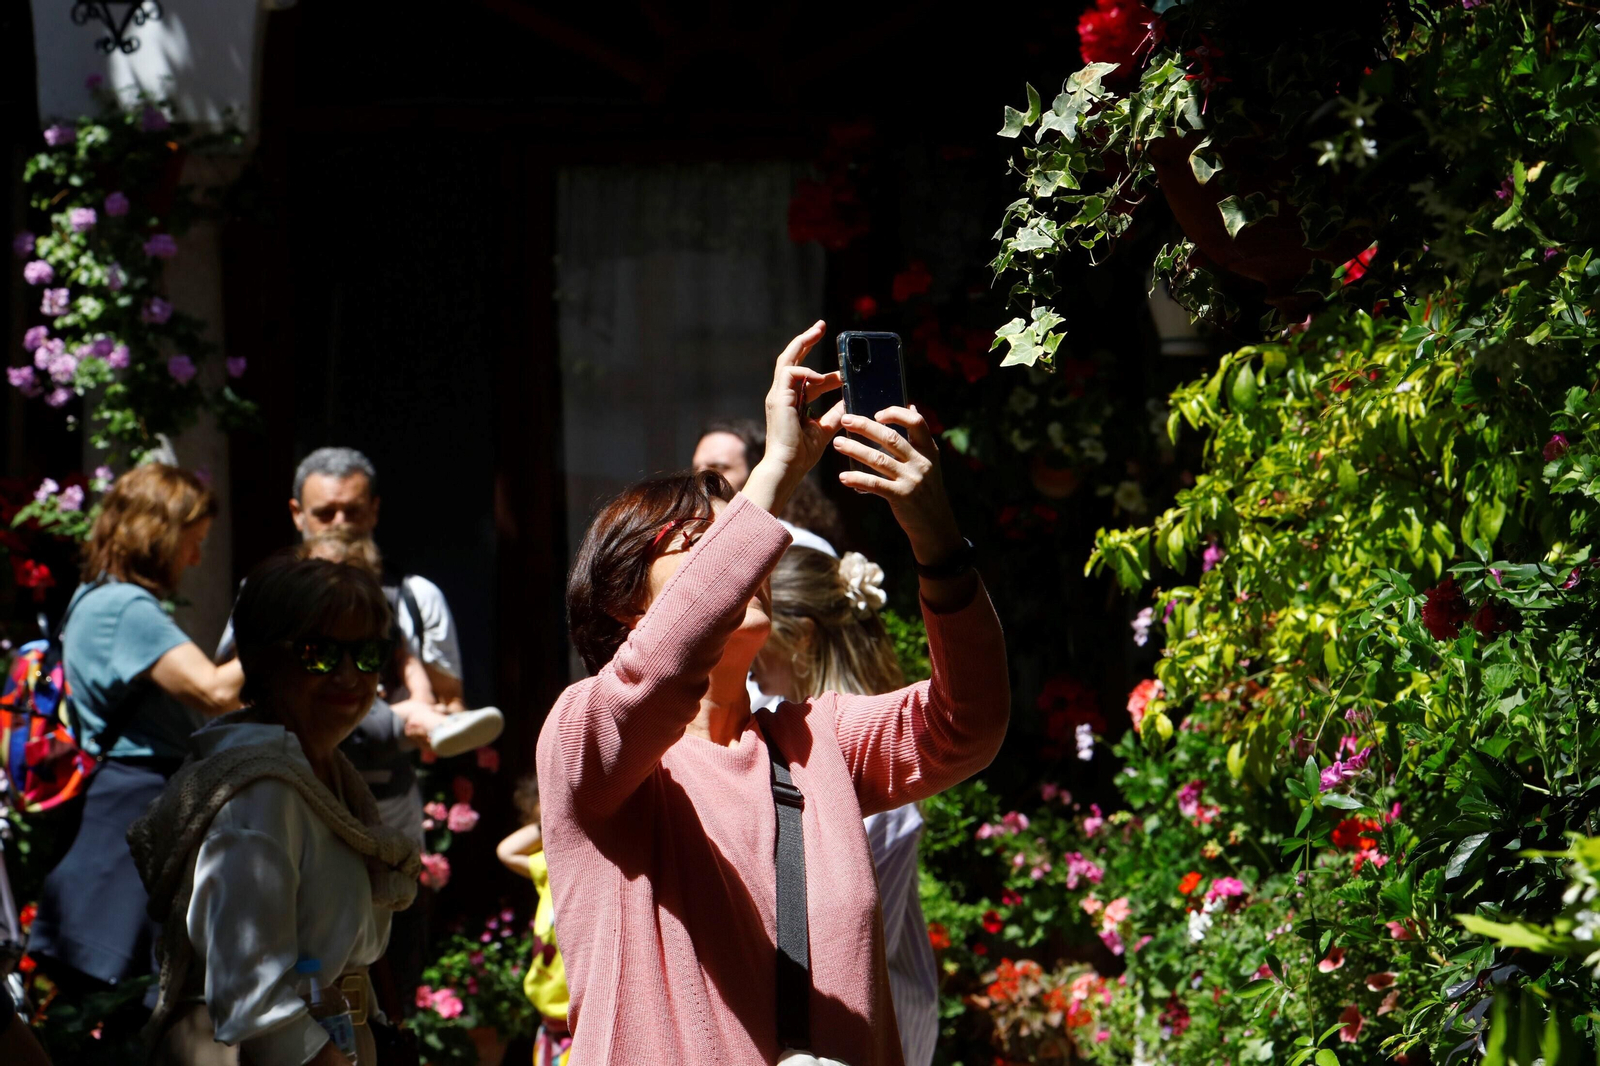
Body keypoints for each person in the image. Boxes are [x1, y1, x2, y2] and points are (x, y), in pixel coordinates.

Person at [538, 320, 1009, 1065]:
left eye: (741, 534)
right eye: (702, 541)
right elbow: (658, 670)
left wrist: (938, 542)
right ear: (627, 604)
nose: (743, 552)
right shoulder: (585, 744)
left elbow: (968, 725)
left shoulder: (814, 741)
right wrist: (779, 467)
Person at [129, 555, 421, 1066]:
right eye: (319, 653)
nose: (350, 676)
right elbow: (253, 998)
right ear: (263, 662)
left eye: (368, 654)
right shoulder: (259, 793)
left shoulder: (326, 778)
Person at [29, 465, 243, 1005]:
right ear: (159, 534)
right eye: (192, 543)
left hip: (107, 825)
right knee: (133, 1019)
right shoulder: (126, 608)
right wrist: (286, 629)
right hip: (128, 825)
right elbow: (216, 691)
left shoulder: (91, 597)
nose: (195, 559)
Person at [752, 547, 938, 1066]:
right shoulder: (789, 736)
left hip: (867, 1026)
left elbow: (847, 932)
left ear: (802, 636)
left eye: (757, 621)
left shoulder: (865, 757)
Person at [495, 774, 571, 1066]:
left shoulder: (588, 870)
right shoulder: (550, 870)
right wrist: (551, 818)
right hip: (549, 1023)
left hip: (578, 1026)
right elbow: (506, 851)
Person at [693, 416, 846, 555]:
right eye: (695, 469)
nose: (700, 479)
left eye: (718, 468)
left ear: (758, 470)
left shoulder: (801, 547)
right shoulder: (688, 541)